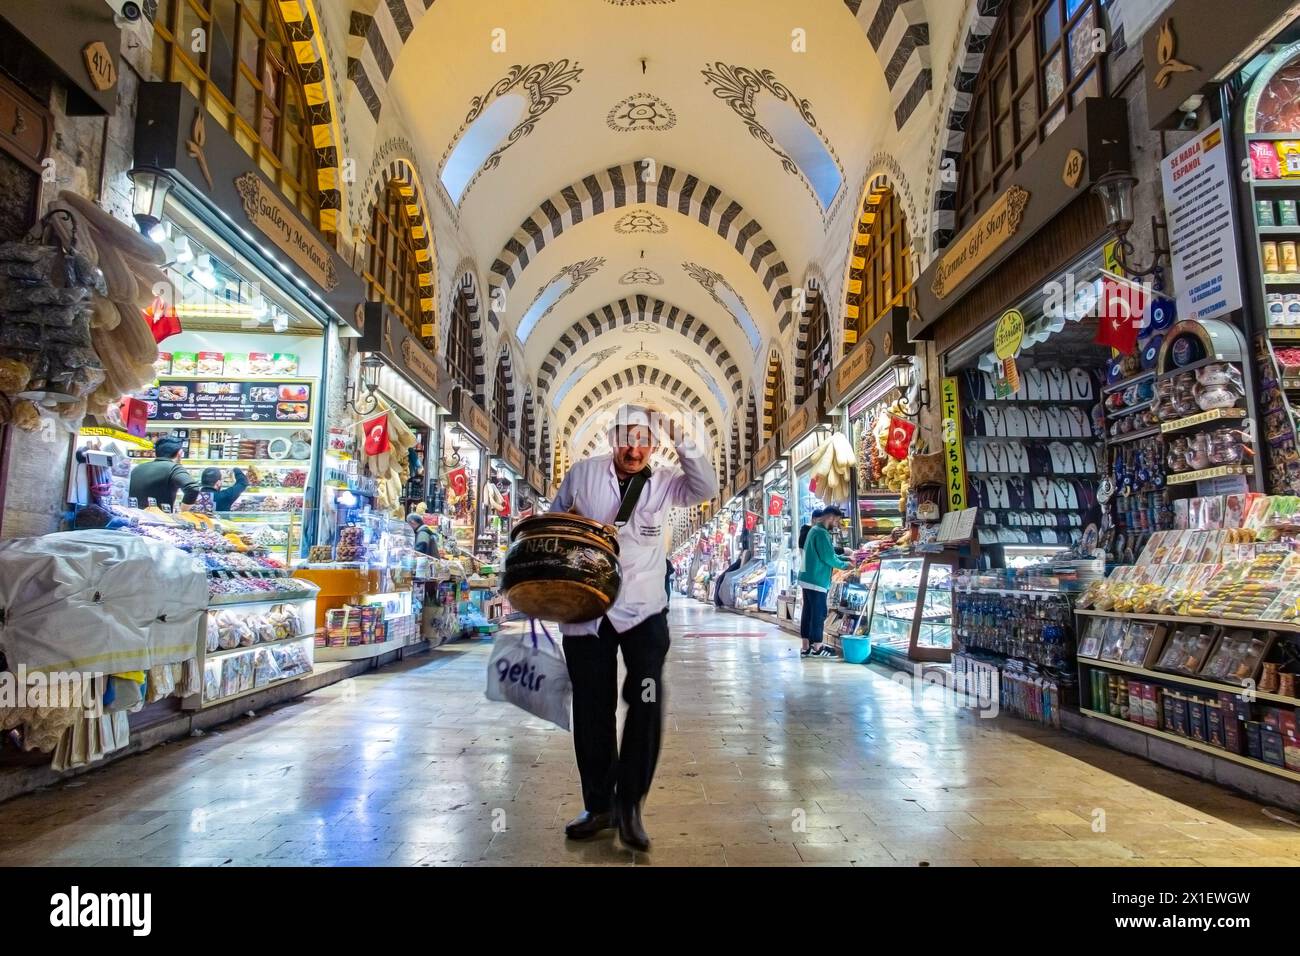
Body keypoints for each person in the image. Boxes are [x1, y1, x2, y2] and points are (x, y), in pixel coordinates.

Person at [550, 404, 717, 852]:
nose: (635, 448)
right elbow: (556, 523)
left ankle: (631, 805)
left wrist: (678, 433)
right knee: (592, 707)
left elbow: (707, 486)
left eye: (644, 440)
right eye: (627, 438)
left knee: (645, 697)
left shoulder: (664, 482)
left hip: (643, 611)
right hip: (587, 613)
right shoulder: (582, 475)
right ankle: (599, 805)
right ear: (612, 439)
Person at [798, 505, 850, 658]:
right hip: (817, 579)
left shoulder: (813, 530)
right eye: (837, 520)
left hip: (807, 578)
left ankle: (806, 646)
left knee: (808, 612)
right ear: (831, 517)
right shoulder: (821, 533)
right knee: (818, 613)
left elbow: (828, 554)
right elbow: (828, 558)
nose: (837, 524)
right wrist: (846, 565)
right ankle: (818, 647)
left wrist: (844, 558)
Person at [128, 437, 200, 510]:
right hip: (160, 518)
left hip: (134, 516)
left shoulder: (138, 468)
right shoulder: (174, 468)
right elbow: (193, 488)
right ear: (180, 453)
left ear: (155, 453)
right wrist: (183, 512)